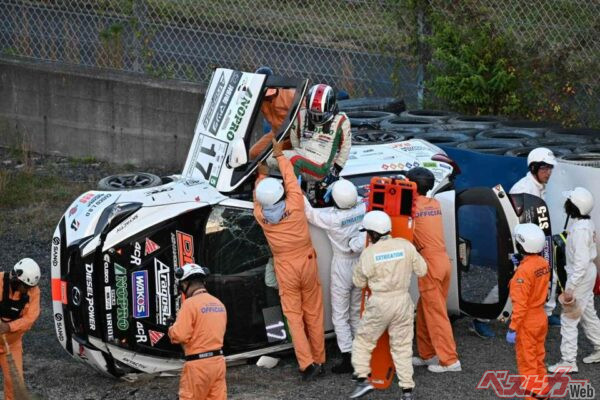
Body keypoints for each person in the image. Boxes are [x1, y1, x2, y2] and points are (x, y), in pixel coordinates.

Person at [254, 138, 326, 381]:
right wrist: (280, 156)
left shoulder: (260, 216)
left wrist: (260, 175)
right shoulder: (295, 203)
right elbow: (291, 181)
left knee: (294, 317)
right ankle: (320, 359)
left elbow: (258, 197)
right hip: (306, 260)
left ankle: (307, 365)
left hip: (284, 266)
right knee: (313, 313)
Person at [472, 147, 559, 338]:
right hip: (519, 245)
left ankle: (547, 312)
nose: (549, 172)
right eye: (545, 168)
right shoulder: (522, 189)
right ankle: (481, 318)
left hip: (537, 243)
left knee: (549, 274)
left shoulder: (540, 187)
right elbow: (510, 221)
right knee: (508, 282)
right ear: (535, 168)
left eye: (550, 168)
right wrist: (518, 250)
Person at [350, 211, 428, 400]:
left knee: (363, 341)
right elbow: (422, 270)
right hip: (402, 301)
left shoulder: (369, 254)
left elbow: (359, 283)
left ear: (373, 233)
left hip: (379, 302)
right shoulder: (406, 246)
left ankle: (362, 380)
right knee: (402, 347)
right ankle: (407, 391)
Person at [303, 179, 366, 374]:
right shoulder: (362, 208)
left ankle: (347, 357)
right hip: (361, 263)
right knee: (356, 312)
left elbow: (309, 213)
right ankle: (361, 355)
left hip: (341, 266)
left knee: (340, 314)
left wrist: (300, 191)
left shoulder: (331, 218)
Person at [407, 167, 461, 373]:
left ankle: (450, 360)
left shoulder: (411, 208)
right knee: (425, 309)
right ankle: (427, 354)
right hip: (443, 261)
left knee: (436, 313)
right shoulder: (434, 203)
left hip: (429, 264)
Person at [548, 187, 600, 373]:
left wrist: (569, 288)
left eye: (568, 201)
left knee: (569, 318)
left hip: (581, 276)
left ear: (574, 206)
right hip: (587, 274)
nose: (565, 204)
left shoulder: (579, 230)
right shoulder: (585, 224)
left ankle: (568, 361)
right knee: (588, 314)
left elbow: (580, 263)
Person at [269, 83, 351, 183]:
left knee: (295, 161)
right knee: (270, 158)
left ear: (331, 107)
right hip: (301, 153)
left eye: (320, 116)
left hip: (321, 164)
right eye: (313, 115)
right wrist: (300, 152)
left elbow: (345, 148)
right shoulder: (301, 114)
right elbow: (295, 139)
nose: (316, 118)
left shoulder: (341, 120)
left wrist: (336, 171)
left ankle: (293, 194)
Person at [168, 263, 227, 400]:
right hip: (218, 362)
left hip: (198, 366)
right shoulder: (218, 303)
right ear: (203, 282)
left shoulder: (189, 304)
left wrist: (171, 328)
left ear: (186, 283)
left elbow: (180, 335)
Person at [507, 223, 551, 400]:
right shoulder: (543, 263)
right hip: (540, 317)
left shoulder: (523, 272)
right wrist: (522, 262)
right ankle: (542, 393)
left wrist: (513, 327)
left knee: (527, 363)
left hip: (527, 322)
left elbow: (520, 305)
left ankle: (533, 396)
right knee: (539, 358)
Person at [0, 258, 40, 400]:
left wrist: (8, 326)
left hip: (11, 345)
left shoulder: (33, 292)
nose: (29, 290)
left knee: (15, 384)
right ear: (18, 280)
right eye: (27, 287)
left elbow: (30, 319)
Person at [249, 66, 295, 160]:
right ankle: (261, 174)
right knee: (253, 153)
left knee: (273, 157)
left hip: (293, 135)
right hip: (276, 133)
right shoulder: (258, 97)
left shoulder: (289, 95)